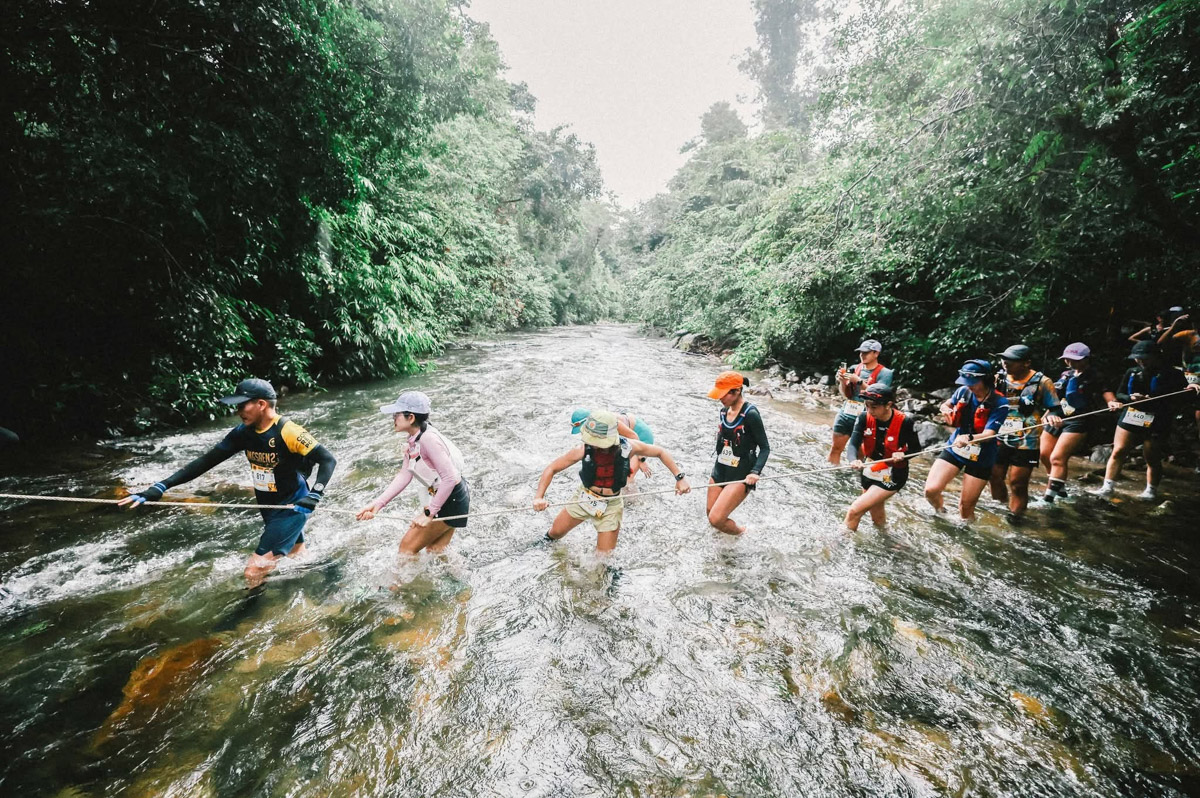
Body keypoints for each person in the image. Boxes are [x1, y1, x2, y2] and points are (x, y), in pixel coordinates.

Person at [119, 378, 337, 586]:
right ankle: (331, 571)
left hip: (292, 505)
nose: (237, 411)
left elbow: (328, 459)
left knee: (254, 570)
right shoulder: (243, 433)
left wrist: (315, 494)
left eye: (242, 405)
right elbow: (205, 461)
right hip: (268, 504)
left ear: (261, 404)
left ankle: (249, 613)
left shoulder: (289, 431)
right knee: (296, 554)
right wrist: (161, 486)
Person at [533, 410, 690, 553]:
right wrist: (539, 497)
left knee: (603, 557)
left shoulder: (628, 447)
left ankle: (610, 580)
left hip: (611, 505)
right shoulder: (582, 449)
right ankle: (538, 551)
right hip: (584, 497)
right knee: (555, 533)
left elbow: (660, 452)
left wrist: (680, 478)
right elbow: (551, 469)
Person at [355, 391, 471, 555]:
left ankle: (399, 582)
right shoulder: (414, 439)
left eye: (396, 414)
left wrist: (429, 513)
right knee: (436, 550)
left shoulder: (428, 439)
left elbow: (450, 478)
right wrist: (378, 504)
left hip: (451, 499)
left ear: (411, 418)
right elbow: (405, 475)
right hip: (450, 496)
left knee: (406, 548)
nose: (393, 419)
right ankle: (457, 579)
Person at [1091, 342, 1196, 501]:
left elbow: (1183, 397)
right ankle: (1107, 487)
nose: (1140, 361)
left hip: (1158, 418)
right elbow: (1120, 394)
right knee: (1119, 450)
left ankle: (1151, 490)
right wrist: (1130, 398)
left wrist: (1191, 387)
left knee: (1151, 455)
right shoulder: (1132, 372)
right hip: (1132, 413)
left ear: (1155, 356)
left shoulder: (1172, 374)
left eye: (1144, 358)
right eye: (1137, 358)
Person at [923, 360, 1009, 522]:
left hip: (981, 454)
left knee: (966, 506)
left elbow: (990, 433)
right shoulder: (963, 391)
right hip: (955, 447)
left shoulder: (1000, 403)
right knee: (931, 490)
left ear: (986, 380)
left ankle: (967, 531)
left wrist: (969, 438)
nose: (969, 386)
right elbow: (947, 403)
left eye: (973, 383)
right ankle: (941, 512)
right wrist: (945, 408)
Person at [1035, 343, 1117, 506]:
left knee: (1057, 458)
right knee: (1045, 455)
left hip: (1079, 420)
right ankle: (1059, 489)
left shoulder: (1096, 376)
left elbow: (1108, 394)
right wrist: (1047, 415)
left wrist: (1113, 402)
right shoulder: (1065, 375)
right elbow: (1055, 397)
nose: (1070, 362)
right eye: (1067, 359)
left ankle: (1048, 499)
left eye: (1074, 359)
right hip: (1057, 416)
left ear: (1086, 359)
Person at [988, 345, 1063, 519]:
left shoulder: (1043, 382)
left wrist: (1052, 417)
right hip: (999, 435)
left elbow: (1055, 409)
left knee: (1017, 483)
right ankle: (999, 508)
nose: (1005, 363)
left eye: (1011, 360)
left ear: (1026, 363)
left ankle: (1015, 519)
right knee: (993, 475)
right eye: (1003, 359)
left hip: (1027, 439)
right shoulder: (998, 378)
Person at [844, 385, 921, 531]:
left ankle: (840, 546)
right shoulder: (863, 417)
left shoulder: (905, 421)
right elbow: (853, 444)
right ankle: (887, 541)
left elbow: (916, 449)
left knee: (854, 511)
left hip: (892, 474)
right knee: (876, 516)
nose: (870, 411)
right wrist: (853, 459)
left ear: (888, 405)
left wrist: (903, 455)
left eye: (874, 407)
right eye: (867, 406)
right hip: (869, 469)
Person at [707, 371, 770, 535]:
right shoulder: (723, 411)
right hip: (720, 469)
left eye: (723, 394)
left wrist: (755, 472)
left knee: (716, 519)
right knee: (710, 514)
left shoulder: (751, 414)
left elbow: (765, 448)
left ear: (736, 391)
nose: (720, 398)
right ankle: (722, 544)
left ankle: (742, 534)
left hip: (741, 474)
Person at [829, 339, 894, 464]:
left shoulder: (885, 373)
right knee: (835, 449)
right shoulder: (854, 368)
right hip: (846, 413)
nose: (862, 355)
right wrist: (843, 382)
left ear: (876, 353)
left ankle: (856, 479)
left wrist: (858, 381)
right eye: (861, 353)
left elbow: (879, 395)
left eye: (866, 352)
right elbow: (846, 395)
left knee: (861, 455)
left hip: (868, 417)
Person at [570, 408, 655, 486]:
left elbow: (634, 437)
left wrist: (641, 459)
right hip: (626, 437)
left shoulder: (610, 422)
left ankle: (635, 501)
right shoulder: (597, 423)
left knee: (627, 476)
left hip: (641, 437)